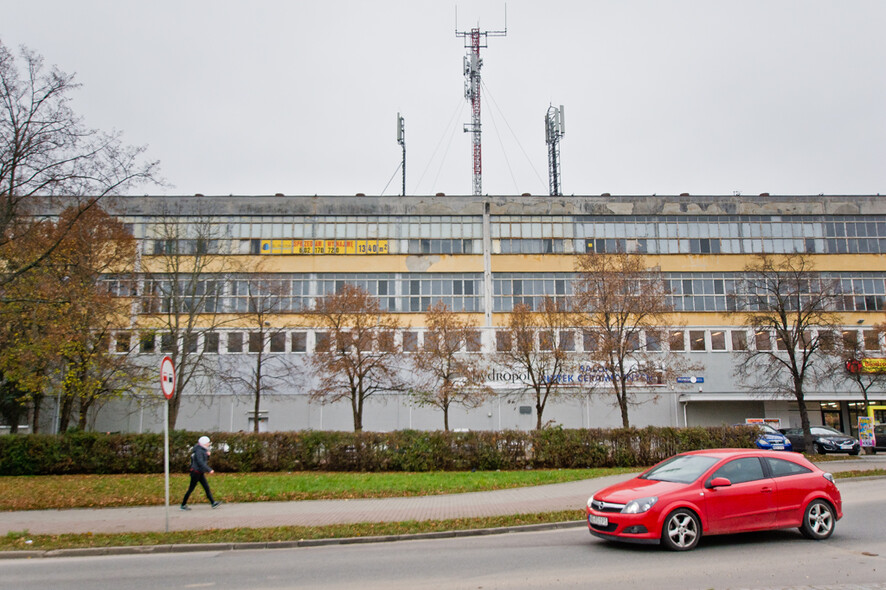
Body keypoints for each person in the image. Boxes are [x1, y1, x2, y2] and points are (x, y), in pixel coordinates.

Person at [180, 435, 221, 510]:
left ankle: (213, 503)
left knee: (206, 487)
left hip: (200, 472)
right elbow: (200, 462)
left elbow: (204, 460)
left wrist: (208, 455)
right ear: (204, 443)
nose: (209, 444)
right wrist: (209, 469)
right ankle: (183, 505)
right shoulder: (199, 451)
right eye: (208, 443)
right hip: (195, 472)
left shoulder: (202, 449)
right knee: (191, 489)